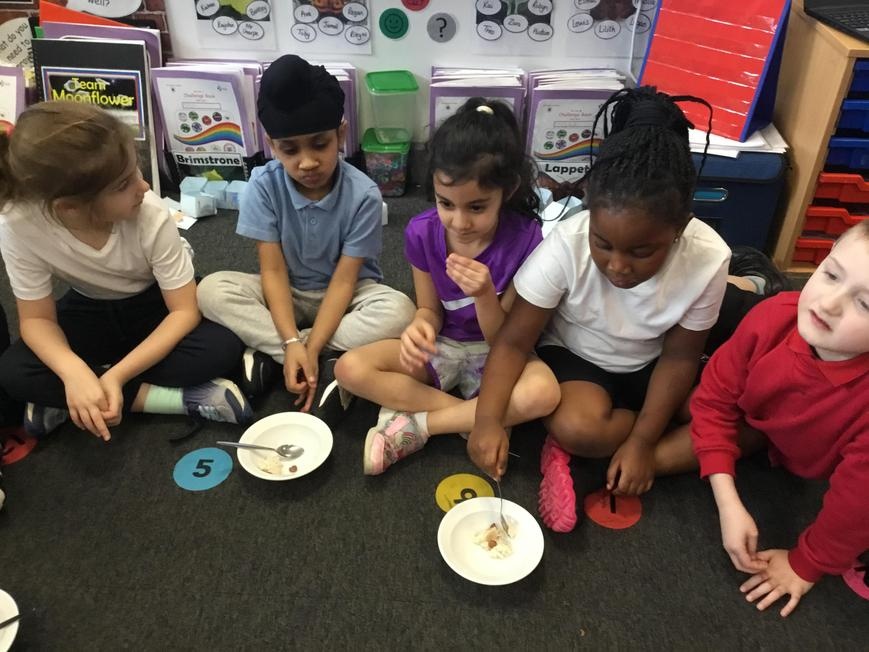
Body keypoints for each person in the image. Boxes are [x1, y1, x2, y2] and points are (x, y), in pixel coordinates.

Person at [468, 86, 774, 533]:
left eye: (641, 251)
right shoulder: (567, 243)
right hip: (578, 355)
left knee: (752, 422)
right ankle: (628, 456)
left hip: (657, 357)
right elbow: (513, 343)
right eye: (603, 243)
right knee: (578, 427)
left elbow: (679, 357)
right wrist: (487, 420)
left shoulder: (707, 256)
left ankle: (633, 459)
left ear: (680, 227)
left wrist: (644, 442)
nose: (617, 266)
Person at [0, 101, 252, 443]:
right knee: (13, 370)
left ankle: (75, 402)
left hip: (153, 300)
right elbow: (36, 320)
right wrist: (73, 373)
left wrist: (114, 376)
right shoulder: (17, 224)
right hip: (90, 306)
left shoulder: (149, 213)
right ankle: (172, 400)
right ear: (70, 208)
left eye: (136, 169)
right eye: (123, 184)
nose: (144, 186)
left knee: (222, 347)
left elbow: (183, 311)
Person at [335, 98, 560, 475]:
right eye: (446, 203)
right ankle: (474, 418)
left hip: (498, 354)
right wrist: (420, 328)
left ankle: (422, 425)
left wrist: (484, 295)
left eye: (477, 207)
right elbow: (429, 309)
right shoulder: (421, 232)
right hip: (445, 347)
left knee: (545, 391)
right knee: (349, 368)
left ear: (507, 191)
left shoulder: (527, 239)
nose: (459, 222)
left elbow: (506, 341)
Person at [197, 55, 415, 417]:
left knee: (401, 312)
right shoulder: (262, 187)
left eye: (319, 144)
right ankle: (303, 354)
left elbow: (345, 281)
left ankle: (291, 353)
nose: (308, 162)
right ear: (272, 145)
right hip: (287, 292)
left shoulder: (363, 194)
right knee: (210, 290)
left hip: (349, 296)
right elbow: (272, 272)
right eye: (290, 149)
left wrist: (305, 345)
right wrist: (289, 340)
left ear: (340, 135)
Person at [690, 220, 869, 616]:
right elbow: (714, 400)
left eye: (865, 304)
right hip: (784, 440)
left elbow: (857, 508)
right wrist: (728, 501)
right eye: (831, 274)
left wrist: (806, 563)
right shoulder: (774, 316)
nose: (828, 303)